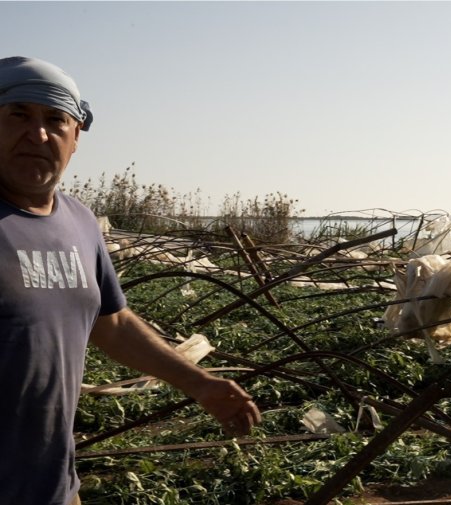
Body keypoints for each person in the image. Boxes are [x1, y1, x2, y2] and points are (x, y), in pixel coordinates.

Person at [0, 56, 262, 505]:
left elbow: (113, 323)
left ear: (76, 136)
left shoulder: (79, 221)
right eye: (18, 114)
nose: (38, 134)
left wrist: (198, 383)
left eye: (55, 120)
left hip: (53, 486)